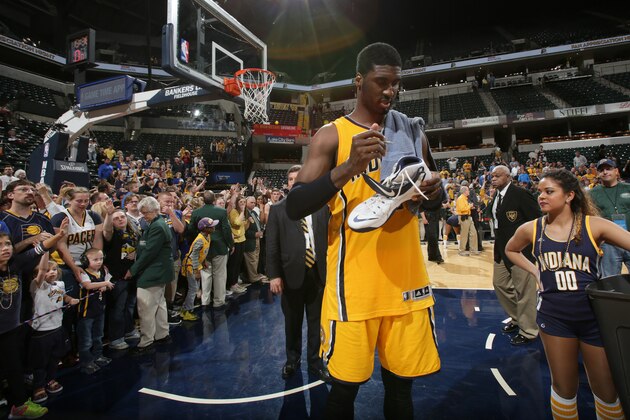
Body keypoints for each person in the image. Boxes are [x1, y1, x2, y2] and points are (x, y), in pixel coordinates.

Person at [285, 42, 442, 419]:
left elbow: (435, 201)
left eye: (396, 83)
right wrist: (347, 167)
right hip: (352, 292)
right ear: (359, 81)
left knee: (402, 396)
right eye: (381, 82)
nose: (390, 91)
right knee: (342, 397)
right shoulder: (332, 135)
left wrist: (435, 192)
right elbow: (293, 205)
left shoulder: (413, 133)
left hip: (406, 285)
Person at [505, 168, 629, 420]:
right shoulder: (531, 229)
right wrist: (535, 271)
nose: (541, 196)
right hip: (554, 316)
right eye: (539, 191)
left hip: (593, 317)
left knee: (606, 390)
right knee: (563, 387)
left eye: (549, 191)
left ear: (570, 195)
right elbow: (511, 250)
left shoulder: (594, 225)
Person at [266, 165, 329, 383]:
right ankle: (292, 360)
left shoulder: (322, 207)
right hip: (291, 275)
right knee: (292, 322)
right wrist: (274, 275)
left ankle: (315, 361)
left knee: (316, 322)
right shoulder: (278, 209)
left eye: (298, 178)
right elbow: (271, 246)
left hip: (318, 273)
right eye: (291, 179)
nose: (294, 182)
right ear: (288, 183)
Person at [0, 229, 67, 419]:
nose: (5, 249)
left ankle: (20, 406)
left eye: (7, 244)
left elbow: (37, 250)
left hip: (11, 328)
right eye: (0, 246)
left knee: (14, 368)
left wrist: (59, 235)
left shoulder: (15, 264)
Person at [490, 165, 542, 345]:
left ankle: (529, 331)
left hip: (521, 251)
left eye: (497, 176)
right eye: (492, 176)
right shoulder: (496, 196)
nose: (493, 178)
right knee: (499, 284)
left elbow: (537, 220)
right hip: (501, 250)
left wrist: (533, 248)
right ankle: (517, 318)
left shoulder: (520, 194)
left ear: (508, 177)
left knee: (525, 291)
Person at [126, 196, 174, 354]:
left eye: (145, 212)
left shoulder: (157, 226)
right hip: (159, 271)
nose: (143, 215)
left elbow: (149, 253)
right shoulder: (157, 223)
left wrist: (133, 270)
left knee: (146, 307)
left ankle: (146, 341)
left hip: (153, 272)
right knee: (159, 304)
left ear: (154, 211)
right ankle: (162, 334)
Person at [29, 257, 78, 403]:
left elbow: (62, 295)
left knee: (54, 358)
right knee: (40, 361)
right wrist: (45, 251)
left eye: (54, 269)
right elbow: (42, 271)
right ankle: (38, 386)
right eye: (47, 270)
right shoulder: (36, 286)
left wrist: (70, 300)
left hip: (57, 327)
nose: (51, 272)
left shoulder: (60, 284)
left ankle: (50, 380)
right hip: (42, 331)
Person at [102, 204, 141, 350]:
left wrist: (136, 253)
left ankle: (128, 330)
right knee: (117, 308)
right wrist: (108, 215)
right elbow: (106, 231)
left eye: (122, 217)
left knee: (130, 305)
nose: (120, 220)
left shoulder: (133, 231)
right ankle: (116, 338)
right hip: (117, 277)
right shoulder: (111, 234)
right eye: (116, 218)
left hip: (132, 274)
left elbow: (140, 246)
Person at [187, 191, 234, 309]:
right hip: (220, 247)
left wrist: (198, 241)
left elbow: (191, 230)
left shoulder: (196, 212)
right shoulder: (221, 211)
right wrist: (231, 244)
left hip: (203, 247)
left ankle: (205, 301)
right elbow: (226, 230)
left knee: (205, 274)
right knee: (220, 275)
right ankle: (218, 301)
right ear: (214, 199)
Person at [588, 159, 630, 277]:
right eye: (601, 170)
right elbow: (589, 217)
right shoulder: (592, 193)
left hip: (629, 236)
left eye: (608, 169)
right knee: (609, 280)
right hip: (608, 242)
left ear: (616, 171)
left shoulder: (628, 188)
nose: (605, 172)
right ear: (598, 174)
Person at [76, 248, 115, 374]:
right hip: (87, 312)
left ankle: (98, 356)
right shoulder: (83, 272)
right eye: (95, 260)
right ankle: (86, 362)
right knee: (86, 339)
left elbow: (110, 282)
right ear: (86, 261)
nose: (99, 262)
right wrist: (103, 284)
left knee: (98, 335)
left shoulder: (103, 271)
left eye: (101, 259)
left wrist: (105, 284)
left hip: (100, 309)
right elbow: (87, 285)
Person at [180, 217, 218, 321]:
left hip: (196, 265)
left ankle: (186, 308)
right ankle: (186, 311)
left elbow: (202, 253)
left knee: (194, 289)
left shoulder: (207, 236)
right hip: (191, 267)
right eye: (211, 226)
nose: (214, 227)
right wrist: (196, 270)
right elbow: (194, 256)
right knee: (193, 290)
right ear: (205, 229)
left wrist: (204, 261)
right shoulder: (200, 240)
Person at [242, 196, 266, 283]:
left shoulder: (253, 212)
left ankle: (255, 274)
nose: (253, 204)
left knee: (255, 258)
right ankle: (253, 278)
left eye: (254, 203)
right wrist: (254, 234)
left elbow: (258, 223)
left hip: (257, 239)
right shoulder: (244, 213)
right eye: (251, 202)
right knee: (251, 260)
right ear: (246, 202)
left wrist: (260, 231)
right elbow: (242, 230)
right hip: (249, 240)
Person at [456, 186, 479, 256]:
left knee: (474, 233)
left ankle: (474, 250)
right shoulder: (460, 199)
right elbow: (462, 208)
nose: (469, 192)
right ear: (465, 191)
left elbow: (465, 207)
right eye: (468, 190)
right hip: (464, 217)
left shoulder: (465, 198)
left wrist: (470, 206)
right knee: (464, 235)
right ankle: (461, 251)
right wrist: (470, 206)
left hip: (468, 217)